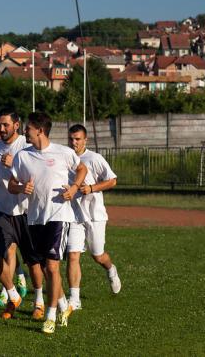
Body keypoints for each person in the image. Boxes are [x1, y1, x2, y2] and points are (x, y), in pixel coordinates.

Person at [8, 112, 87, 335]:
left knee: (52, 266)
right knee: (44, 267)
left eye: (28, 129)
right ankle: (63, 305)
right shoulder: (23, 156)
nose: (25, 132)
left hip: (59, 215)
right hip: (34, 217)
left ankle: (50, 317)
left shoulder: (63, 152)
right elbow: (11, 185)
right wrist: (22, 188)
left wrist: (74, 188)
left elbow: (82, 169)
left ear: (39, 130)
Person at [0, 109, 44, 321]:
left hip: (26, 212)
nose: (0, 129)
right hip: (0, 209)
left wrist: (14, 165)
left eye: (5, 125)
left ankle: (39, 302)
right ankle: (12, 294)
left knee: (33, 261)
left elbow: (36, 178)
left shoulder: (27, 147)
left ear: (16, 125)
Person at [65, 124, 122, 312]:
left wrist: (91, 188)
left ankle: (110, 269)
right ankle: (75, 299)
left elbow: (113, 180)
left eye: (78, 139)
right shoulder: (65, 157)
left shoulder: (94, 158)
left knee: (98, 255)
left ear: (85, 140)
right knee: (73, 255)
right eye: (71, 138)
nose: (74, 142)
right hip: (74, 216)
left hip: (95, 216)